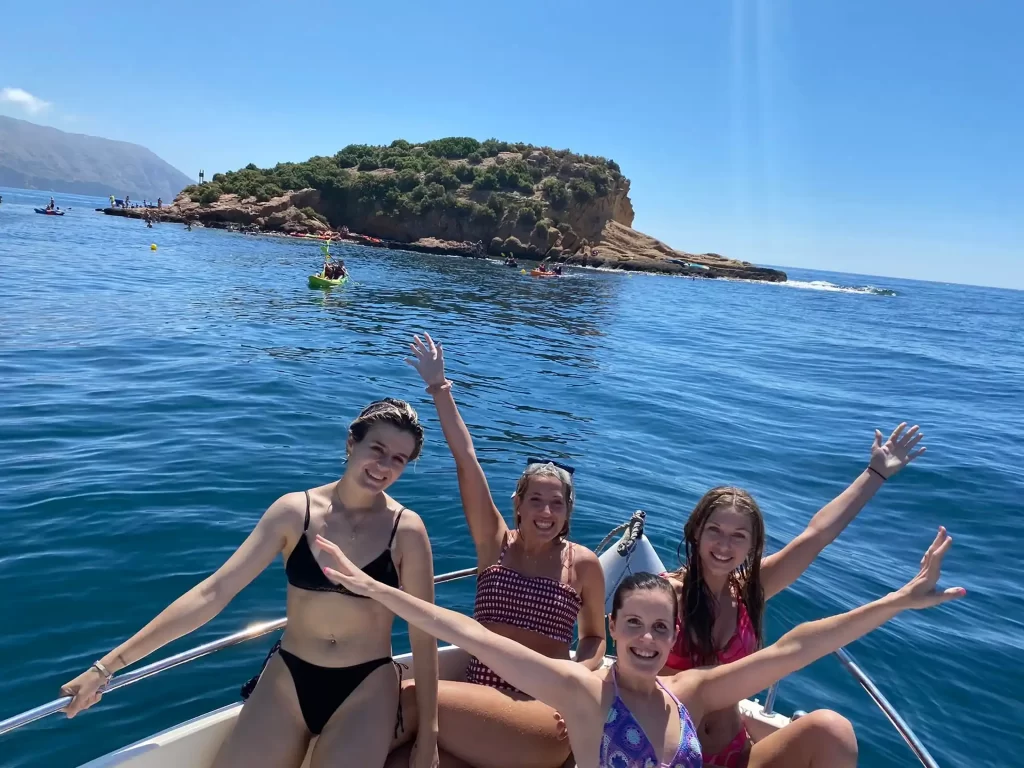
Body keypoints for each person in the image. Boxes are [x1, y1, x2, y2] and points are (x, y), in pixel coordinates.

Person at [318, 525, 964, 768]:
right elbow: (472, 633)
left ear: (673, 634)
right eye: (634, 626)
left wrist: (899, 601)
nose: (649, 639)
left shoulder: (691, 692)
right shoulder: (582, 694)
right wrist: (373, 590)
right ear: (614, 629)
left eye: (661, 628)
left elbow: (798, 647)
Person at [59, 399, 441, 768]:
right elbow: (214, 592)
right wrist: (106, 667)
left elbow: (424, 633)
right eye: (378, 448)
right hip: (290, 677)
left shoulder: (406, 530)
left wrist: (429, 735)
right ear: (351, 442)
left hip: (367, 686)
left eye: (398, 459)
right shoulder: (294, 512)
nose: (384, 466)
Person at [393, 333, 606, 768]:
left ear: (568, 513)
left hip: (541, 712)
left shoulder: (582, 564)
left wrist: (578, 679)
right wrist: (439, 387)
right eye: (536, 500)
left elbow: (594, 637)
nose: (545, 511)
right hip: (478, 704)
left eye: (557, 503)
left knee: (405, 700)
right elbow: (466, 460)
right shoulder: (494, 542)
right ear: (517, 505)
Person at [663, 424, 926, 767]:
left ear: (752, 546)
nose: (724, 546)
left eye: (738, 536)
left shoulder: (749, 592)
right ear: (696, 531)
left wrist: (875, 473)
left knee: (831, 730)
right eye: (715, 530)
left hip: (735, 752)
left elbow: (816, 535)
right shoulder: (663, 596)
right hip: (671, 753)